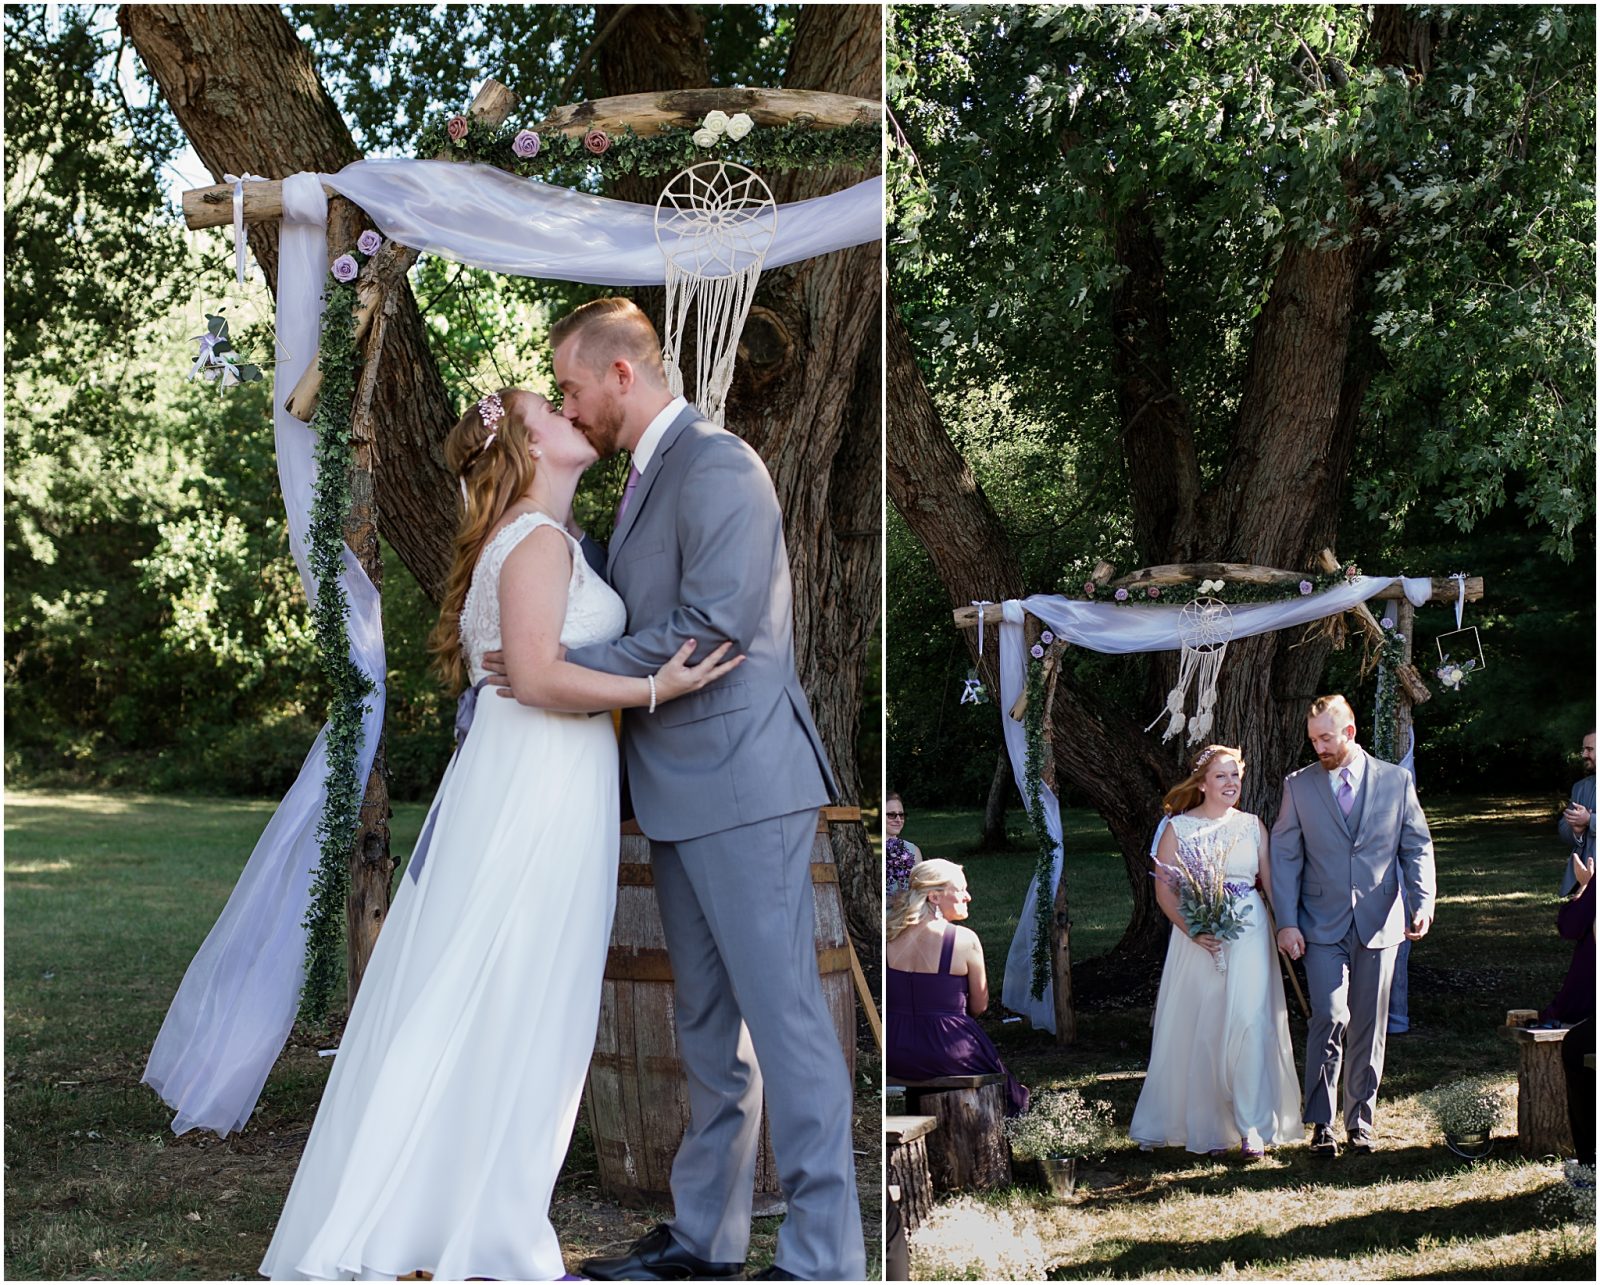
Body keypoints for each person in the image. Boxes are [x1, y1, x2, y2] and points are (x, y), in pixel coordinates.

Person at [258, 389, 740, 1281]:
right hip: (536, 790)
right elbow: (537, 676)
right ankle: (467, 1215)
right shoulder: (536, 541)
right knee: (512, 988)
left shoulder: (544, 541)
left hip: (542, 781)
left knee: (510, 989)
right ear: (528, 444)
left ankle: (462, 1203)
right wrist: (657, 689)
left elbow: (526, 666)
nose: (570, 411)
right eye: (551, 407)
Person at [490, 299, 862, 1283]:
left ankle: (824, 1257)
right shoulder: (646, 478)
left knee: (785, 1023)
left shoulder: (721, 463)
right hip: (674, 790)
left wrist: (558, 659)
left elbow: (715, 624)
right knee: (706, 1029)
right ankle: (708, 1239)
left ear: (620, 373)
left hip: (744, 783)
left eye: (571, 386)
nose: (569, 406)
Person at [1271, 694, 1437, 1158]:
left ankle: (1359, 1122)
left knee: (1369, 1024)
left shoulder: (1395, 781)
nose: (1319, 747)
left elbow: (1416, 847)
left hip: (1381, 922)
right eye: (1313, 740)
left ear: (1349, 732)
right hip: (1320, 924)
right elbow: (1284, 857)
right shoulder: (1298, 785)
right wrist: (1287, 922)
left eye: (1325, 738)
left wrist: (1422, 902)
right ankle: (1321, 1122)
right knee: (1328, 1015)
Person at [1128, 745, 1302, 1158]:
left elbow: (1271, 882)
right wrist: (1193, 930)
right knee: (1203, 1025)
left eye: (1235, 776)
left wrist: (1287, 926)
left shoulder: (1251, 825)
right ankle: (1206, 1122)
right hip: (1199, 940)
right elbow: (1164, 888)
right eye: (1221, 776)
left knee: (1249, 1020)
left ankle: (1252, 1126)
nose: (1230, 784)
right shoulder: (1178, 828)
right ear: (1202, 782)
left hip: (1249, 934)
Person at [886, 858, 1028, 1115]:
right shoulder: (964, 939)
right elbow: (979, 1006)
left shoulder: (888, 935)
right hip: (948, 1048)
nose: (968, 896)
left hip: (895, 1049)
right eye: (960, 889)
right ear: (934, 897)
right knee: (1008, 1089)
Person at [1557, 730, 1595, 896]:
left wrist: (1590, 820)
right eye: (1583, 749)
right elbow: (1563, 829)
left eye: (1590, 749)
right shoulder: (1580, 787)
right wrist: (1576, 831)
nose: (1584, 754)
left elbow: (1588, 820)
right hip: (1584, 882)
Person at [886, 790, 920, 893]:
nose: (898, 820)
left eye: (901, 815)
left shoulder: (913, 850)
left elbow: (920, 890)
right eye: (891, 815)